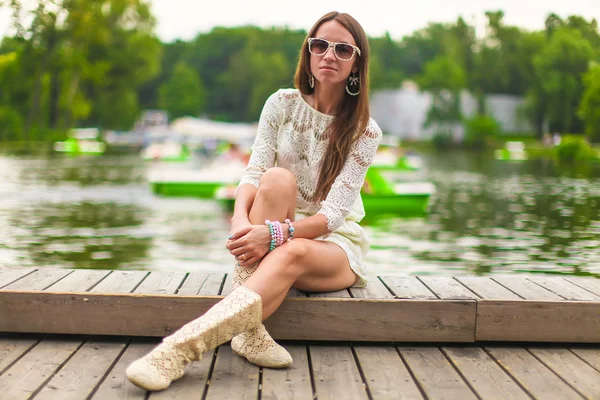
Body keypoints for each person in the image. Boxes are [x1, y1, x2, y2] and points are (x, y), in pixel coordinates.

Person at [126, 11, 382, 392]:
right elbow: (253, 172)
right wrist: (240, 221)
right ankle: (249, 333)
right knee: (276, 178)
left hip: (333, 246)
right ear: (308, 53)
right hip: (277, 225)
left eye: (343, 49)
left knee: (288, 252)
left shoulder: (365, 131)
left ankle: (176, 351)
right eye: (320, 45)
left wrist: (275, 234)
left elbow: (331, 216)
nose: (330, 54)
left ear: (357, 63)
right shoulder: (280, 104)